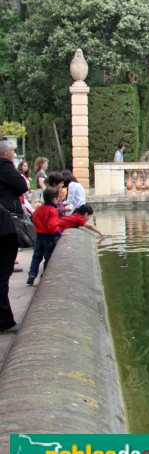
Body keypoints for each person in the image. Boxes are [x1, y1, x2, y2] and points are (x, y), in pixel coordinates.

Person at [0, 140, 28, 332]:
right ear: (4, 153)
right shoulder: (3, 165)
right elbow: (22, 185)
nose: (13, 155)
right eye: (11, 152)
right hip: (3, 228)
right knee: (2, 274)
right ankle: (4, 320)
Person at [27, 186, 62, 286]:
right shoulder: (52, 210)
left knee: (36, 257)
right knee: (48, 257)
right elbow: (52, 226)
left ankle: (32, 274)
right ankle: (45, 276)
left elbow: (33, 219)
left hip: (39, 237)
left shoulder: (39, 209)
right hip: (49, 238)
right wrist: (59, 233)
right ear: (54, 199)